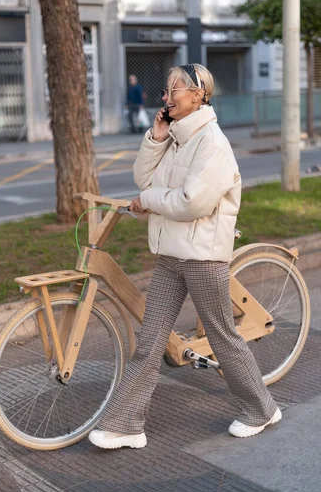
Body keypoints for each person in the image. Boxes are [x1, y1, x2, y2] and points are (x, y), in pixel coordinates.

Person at [89, 63, 281, 450]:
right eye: (165, 91)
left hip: (203, 257)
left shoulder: (212, 144)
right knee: (150, 341)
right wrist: (156, 139)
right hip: (171, 255)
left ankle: (261, 409)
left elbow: (192, 202)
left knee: (224, 337)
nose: (166, 97)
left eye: (173, 90)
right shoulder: (176, 138)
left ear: (198, 94)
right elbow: (145, 180)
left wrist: (147, 202)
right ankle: (127, 423)